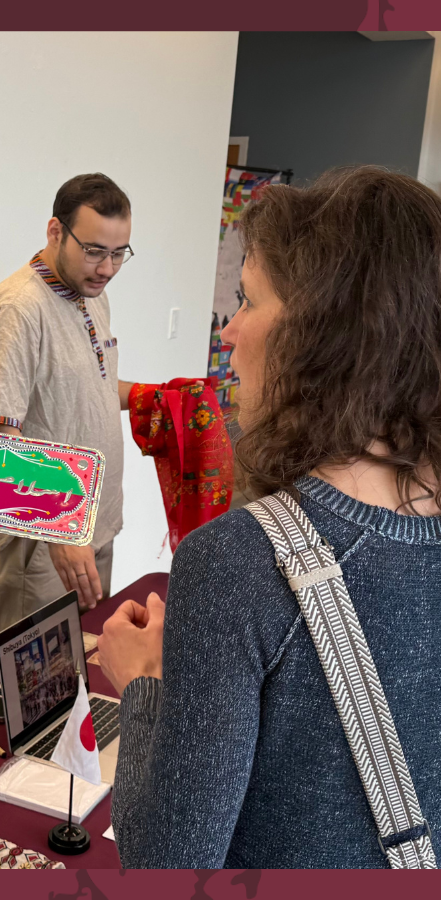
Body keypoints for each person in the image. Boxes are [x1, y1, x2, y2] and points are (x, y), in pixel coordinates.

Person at [100, 167, 441, 868]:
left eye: (245, 299)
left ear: (323, 332)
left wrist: (143, 687)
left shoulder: (238, 563)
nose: (227, 332)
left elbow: (164, 867)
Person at [0, 173, 137, 631]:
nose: (106, 268)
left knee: (82, 682)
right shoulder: (18, 308)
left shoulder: (91, 295)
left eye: (118, 253)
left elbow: (89, 389)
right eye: (93, 250)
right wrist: (58, 524)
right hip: (45, 542)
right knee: (33, 691)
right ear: (55, 232)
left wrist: (153, 396)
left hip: (95, 528)